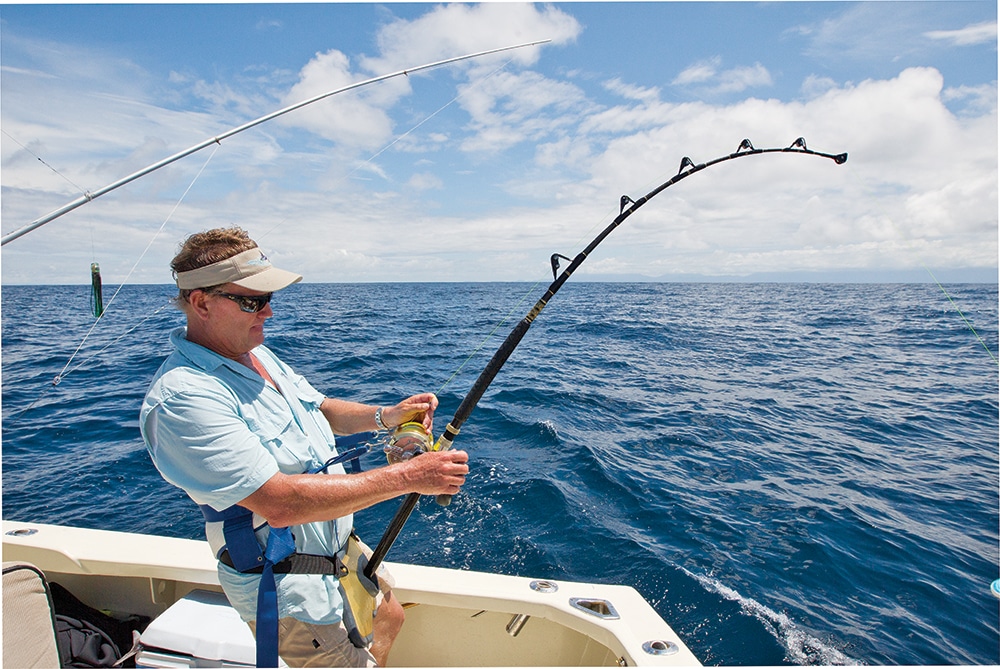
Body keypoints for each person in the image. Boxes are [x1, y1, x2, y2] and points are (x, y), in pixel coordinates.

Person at [140, 227, 469, 667]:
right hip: (286, 580)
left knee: (389, 615)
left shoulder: (254, 353)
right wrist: (411, 476)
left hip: (336, 546)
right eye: (252, 301)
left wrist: (385, 415)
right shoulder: (184, 399)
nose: (269, 312)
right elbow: (280, 504)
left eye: (268, 297)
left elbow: (320, 407)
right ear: (201, 302)